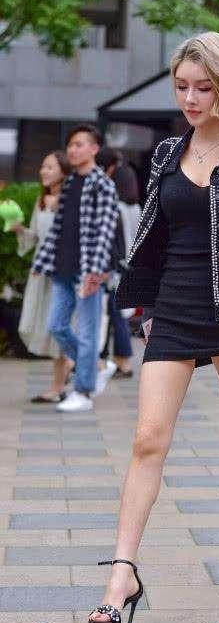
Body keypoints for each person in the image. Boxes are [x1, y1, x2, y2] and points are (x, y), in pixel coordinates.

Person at [88, 31, 219, 623]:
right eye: (182, 87)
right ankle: (122, 572)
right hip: (173, 312)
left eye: (204, 87)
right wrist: (146, 305)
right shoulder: (164, 155)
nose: (191, 98)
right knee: (148, 439)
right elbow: (156, 233)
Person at [31, 124, 119, 412]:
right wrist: (41, 262)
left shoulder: (102, 184)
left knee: (88, 331)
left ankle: (83, 392)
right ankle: (97, 365)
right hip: (62, 268)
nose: (72, 149)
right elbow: (58, 229)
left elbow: (105, 232)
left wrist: (95, 272)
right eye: (70, 145)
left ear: (94, 149)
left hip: (87, 271)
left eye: (79, 144)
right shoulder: (69, 183)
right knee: (56, 326)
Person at [10, 151, 72, 402]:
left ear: (64, 171)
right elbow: (36, 236)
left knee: (59, 326)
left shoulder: (69, 199)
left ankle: (67, 378)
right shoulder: (42, 200)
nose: (43, 171)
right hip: (41, 273)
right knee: (48, 326)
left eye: (49, 167)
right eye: (43, 167)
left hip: (61, 275)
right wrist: (19, 230)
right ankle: (62, 381)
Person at [96, 146, 140, 378]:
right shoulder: (135, 207)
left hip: (116, 266)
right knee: (117, 314)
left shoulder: (116, 207)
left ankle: (122, 362)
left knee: (115, 314)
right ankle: (117, 361)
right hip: (129, 265)